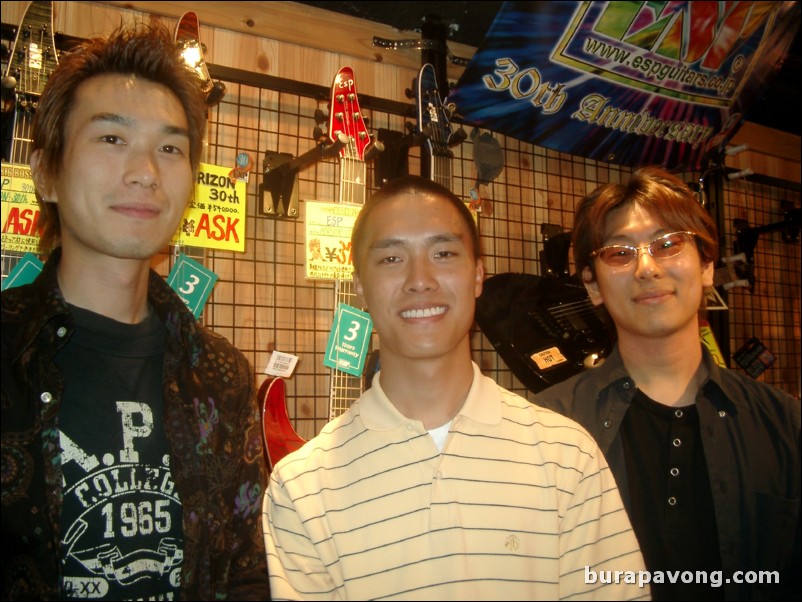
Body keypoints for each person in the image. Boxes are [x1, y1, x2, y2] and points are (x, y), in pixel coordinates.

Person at [263, 176, 648, 600]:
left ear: (479, 275)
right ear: (360, 287)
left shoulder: (568, 457)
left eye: (443, 253)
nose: (420, 279)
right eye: (391, 258)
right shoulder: (301, 489)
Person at [1, 25, 269, 600]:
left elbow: (244, 573)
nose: (146, 170)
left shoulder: (223, 377)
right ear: (47, 172)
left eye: (170, 147)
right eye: (111, 139)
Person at [537, 166, 800, 601]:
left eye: (668, 244)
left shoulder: (784, 424)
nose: (646, 268)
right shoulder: (547, 427)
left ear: (708, 266)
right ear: (593, 285)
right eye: (619, 253)